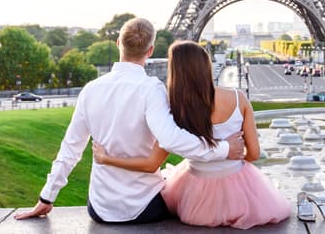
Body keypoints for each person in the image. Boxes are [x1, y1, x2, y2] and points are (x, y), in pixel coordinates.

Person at [15, 18, 245, 224]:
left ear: (118, 43)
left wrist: (47, 197)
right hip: (145, 207)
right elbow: (171, 139)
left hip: (99, 208)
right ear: (150, 50)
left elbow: (70, 149)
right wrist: (224, 148)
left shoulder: (90, 90)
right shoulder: (151, 89)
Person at [92, 40, 291, 229]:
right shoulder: (239, 99)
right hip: (242, 199)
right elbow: (254, 154)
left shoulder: (174, 108)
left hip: (196, 204)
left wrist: (106, 158)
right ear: (206, 65)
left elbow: (151, 163)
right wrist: (231, 158)